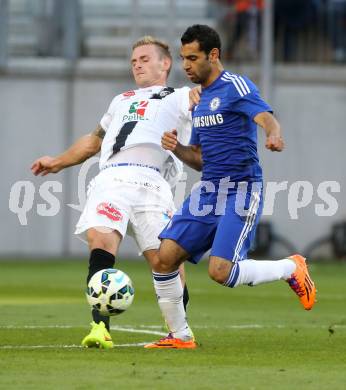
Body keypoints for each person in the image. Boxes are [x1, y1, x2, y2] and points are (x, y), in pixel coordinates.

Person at [144, 25, 317, 349]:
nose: (186, 66)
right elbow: (198, 158)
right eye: (183, 59)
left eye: (192, 58)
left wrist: (273, 133)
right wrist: (176, 148)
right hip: (209, 190)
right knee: (163, 258)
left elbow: (265, 115)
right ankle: (180, 337)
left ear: (214, 55)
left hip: (241, 189)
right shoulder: (200, 100)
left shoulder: (235, 85)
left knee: (220, 272)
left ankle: (291, 267)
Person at [31, 36, 193, 349]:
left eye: (145, 59)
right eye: (134, 61)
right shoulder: (121, 100)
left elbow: (214, 97)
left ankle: (180, 332)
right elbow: (94, 141)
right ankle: (99, 328)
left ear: (166, 63)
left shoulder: (182, 96)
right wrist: (58, 161)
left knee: (165, 261)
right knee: (101, 240)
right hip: (112, 178)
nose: (138, 65)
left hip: (153, 183)